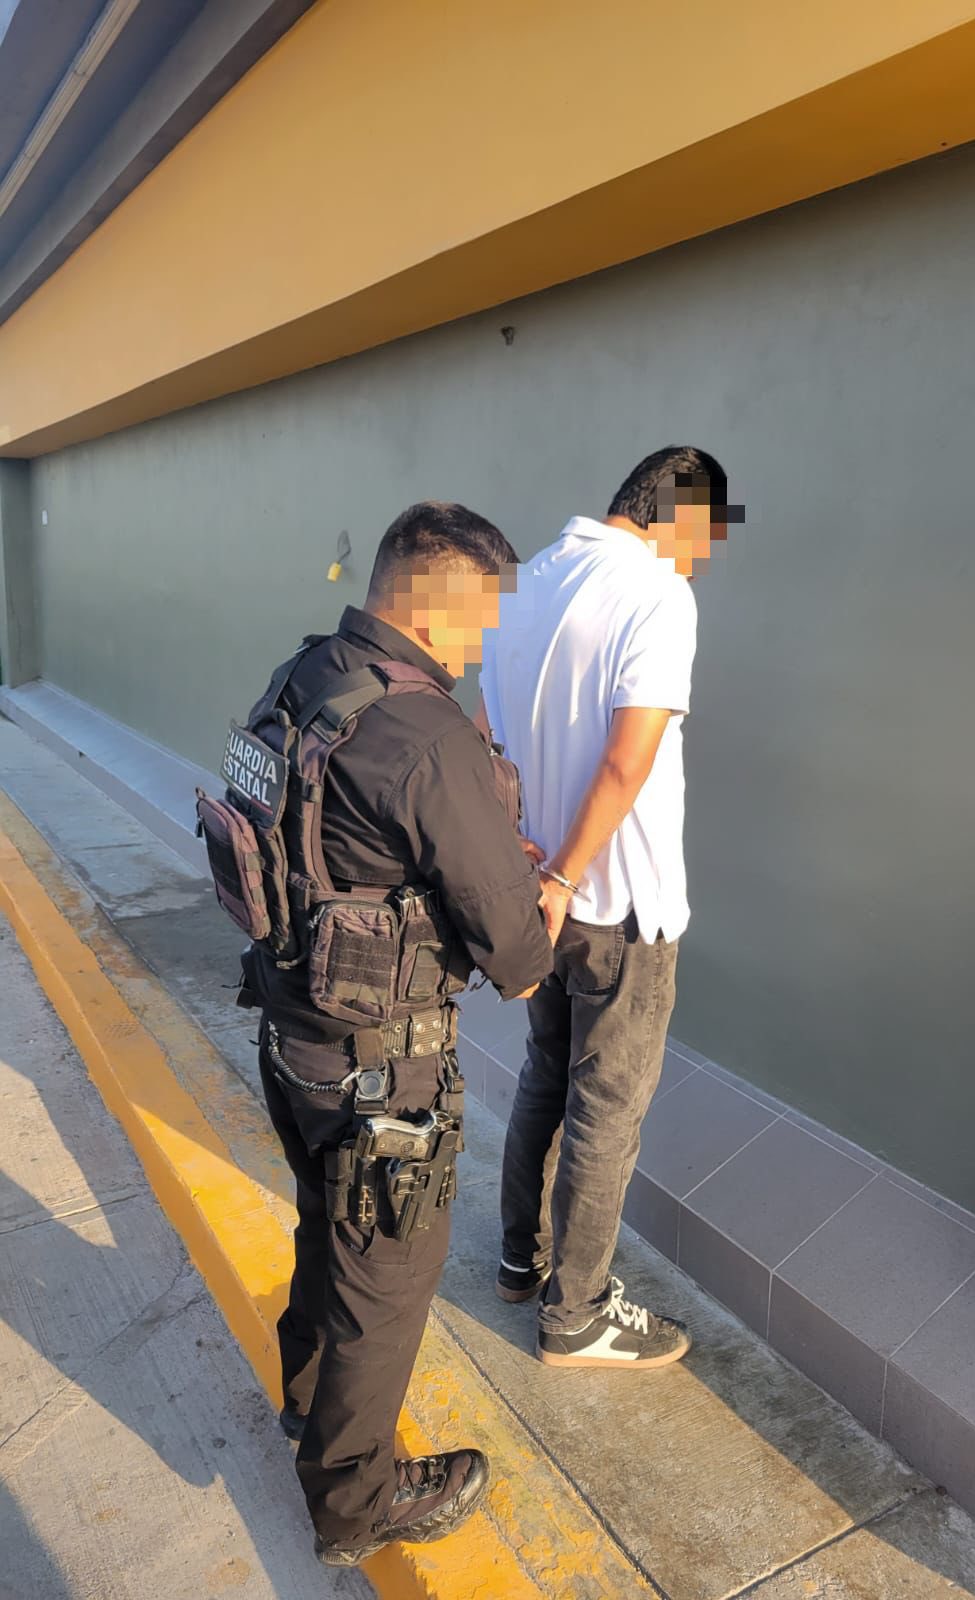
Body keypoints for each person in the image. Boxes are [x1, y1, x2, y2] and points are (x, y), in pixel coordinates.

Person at [211, 503, 552, 1567]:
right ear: (443, 600)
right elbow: (517, 955)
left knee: (328, 1228)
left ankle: (306, 1404)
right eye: (483, 617)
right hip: (383, 1069)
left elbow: (311, 843)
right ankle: (354, 1502)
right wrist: (545, 896)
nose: (480, 645)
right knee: (387, 1283)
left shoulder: (301, 678)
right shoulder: (430, 734)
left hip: (290, 1036)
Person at [478, 445, 740, 1368]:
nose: (702, 558)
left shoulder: (524, 586)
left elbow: (488, 743)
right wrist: (565, 876)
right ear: (682, 516)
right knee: (607, 1106)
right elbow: (628, 761)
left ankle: (520, 1260)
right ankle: (577, 1314)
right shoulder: (659, 593)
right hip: (619, 903)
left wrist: (534, 869)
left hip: (542, 896)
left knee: (547, 1072)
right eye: (706, 536)